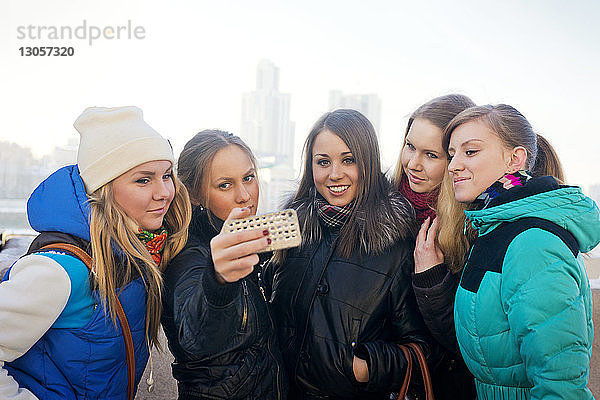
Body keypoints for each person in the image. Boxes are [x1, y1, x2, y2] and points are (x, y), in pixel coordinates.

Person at [0, 106, 191, 400]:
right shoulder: (61, 271)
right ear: (104, 190)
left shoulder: (136, 252)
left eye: (167, 175)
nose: (164, 192)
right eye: (143, 179)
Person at [264, 109, 434, 399]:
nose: (335, 174)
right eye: (323, 162)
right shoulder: (290, 232)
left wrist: (362, 367)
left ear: (367, 162)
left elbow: (424, 348)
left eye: (348, 160)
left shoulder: (394, 243)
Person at [445, 104, 599, 399]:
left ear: (515, 159)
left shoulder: (533, 244)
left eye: (470, 151)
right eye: (452, 154)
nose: (453, 165)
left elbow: (561, 387)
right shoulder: (495, 227)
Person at [161, 130, 287, 400]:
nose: (244, 196)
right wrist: (218, 281)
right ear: (195, 195)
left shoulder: (246, 238)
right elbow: (195, 337)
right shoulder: (188, 256)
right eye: (225, 185)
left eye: (248, 178)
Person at [392, 94, 477, 399]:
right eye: (410, 147)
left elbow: (467, 342)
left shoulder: (474, 228)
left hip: (441, 384)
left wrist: (432, 278)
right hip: (383, 376)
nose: (413, 164)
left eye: (431, 155)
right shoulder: (381, 208)